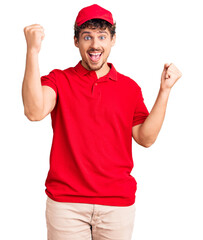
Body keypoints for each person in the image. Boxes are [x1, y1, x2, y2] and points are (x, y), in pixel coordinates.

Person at [22, 4, 182, 240]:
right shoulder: (59, 79)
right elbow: (34, 111)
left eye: (102, 36)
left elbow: (145, 138)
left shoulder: (129, 88)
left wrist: (165, 91)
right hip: (67, 204)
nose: (95, 44)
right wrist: (32, 52)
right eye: (87, 37)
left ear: (113, 40)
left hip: (117, 206)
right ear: (76, 41)